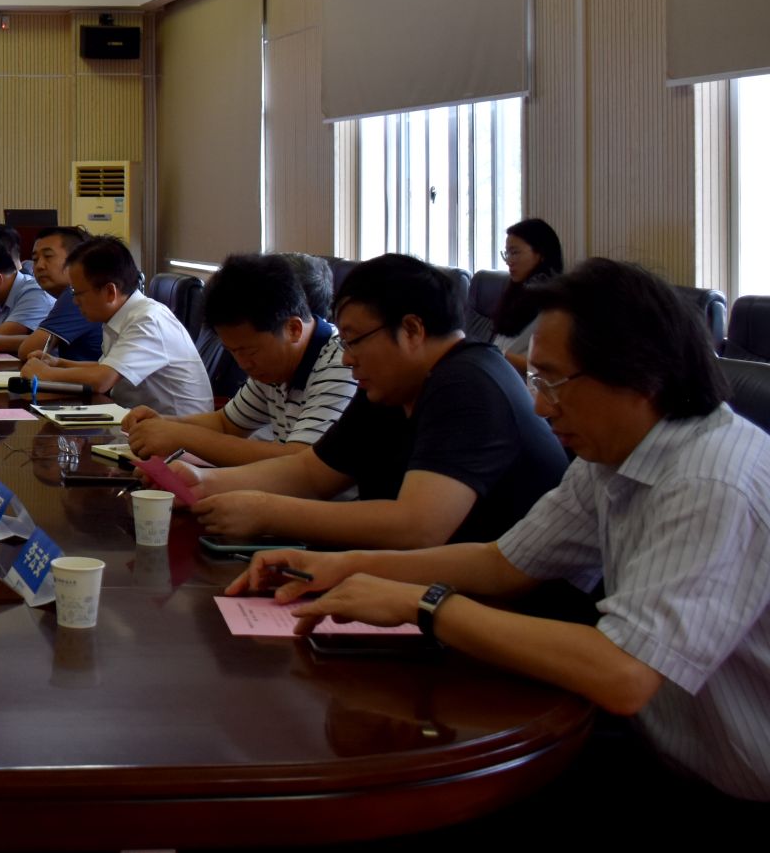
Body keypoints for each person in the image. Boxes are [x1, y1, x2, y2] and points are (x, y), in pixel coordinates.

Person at [231, 259, 769, 804]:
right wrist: (347, 565)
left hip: (725, 787)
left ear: (639, 376)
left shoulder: (710, 481)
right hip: (656, 746)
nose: (539, 404)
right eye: (537, 379)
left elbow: (622, 674)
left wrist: (425, 605)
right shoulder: (612, 455)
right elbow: (504, 563)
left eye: (553, 381)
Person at [186, 253, 567, 546]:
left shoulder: (469, 383)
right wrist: (203, 482)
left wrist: (267, 512)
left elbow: (417, 526)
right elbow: (311, 473)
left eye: (354, 340)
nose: (346, 358)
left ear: (412, 330)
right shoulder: (393, 386)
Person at [123, 254, 355, 466]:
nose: (243, 364)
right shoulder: (274, 366)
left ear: (293, 329)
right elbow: (227, 424)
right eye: (232, 352)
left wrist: (182, 436)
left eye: (249, 351)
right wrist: (163, 423)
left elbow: (298, 461)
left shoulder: (342, 364)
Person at [21, 237, 213, 417]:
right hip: (140, 422)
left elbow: (102, 379)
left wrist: (45, 373)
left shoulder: (147, 320)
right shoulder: (121, 315)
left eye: (78, 293)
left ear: (110, 292)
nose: (75, 301)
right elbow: (106, 367)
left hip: (178, 432)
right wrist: (59, 363)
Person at [1, 225, 103, 363]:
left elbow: (27, 351)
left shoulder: (75, 295)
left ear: (77, 260)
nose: (39, 266)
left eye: (48, 256)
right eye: (35, 259)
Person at [494, 216, 564, 371]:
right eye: (507, 253)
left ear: (540, 253)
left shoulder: (553, 301)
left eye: (515, 253)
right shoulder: (516, 292)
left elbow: (548, 368)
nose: (509, 261)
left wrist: (499, 355)